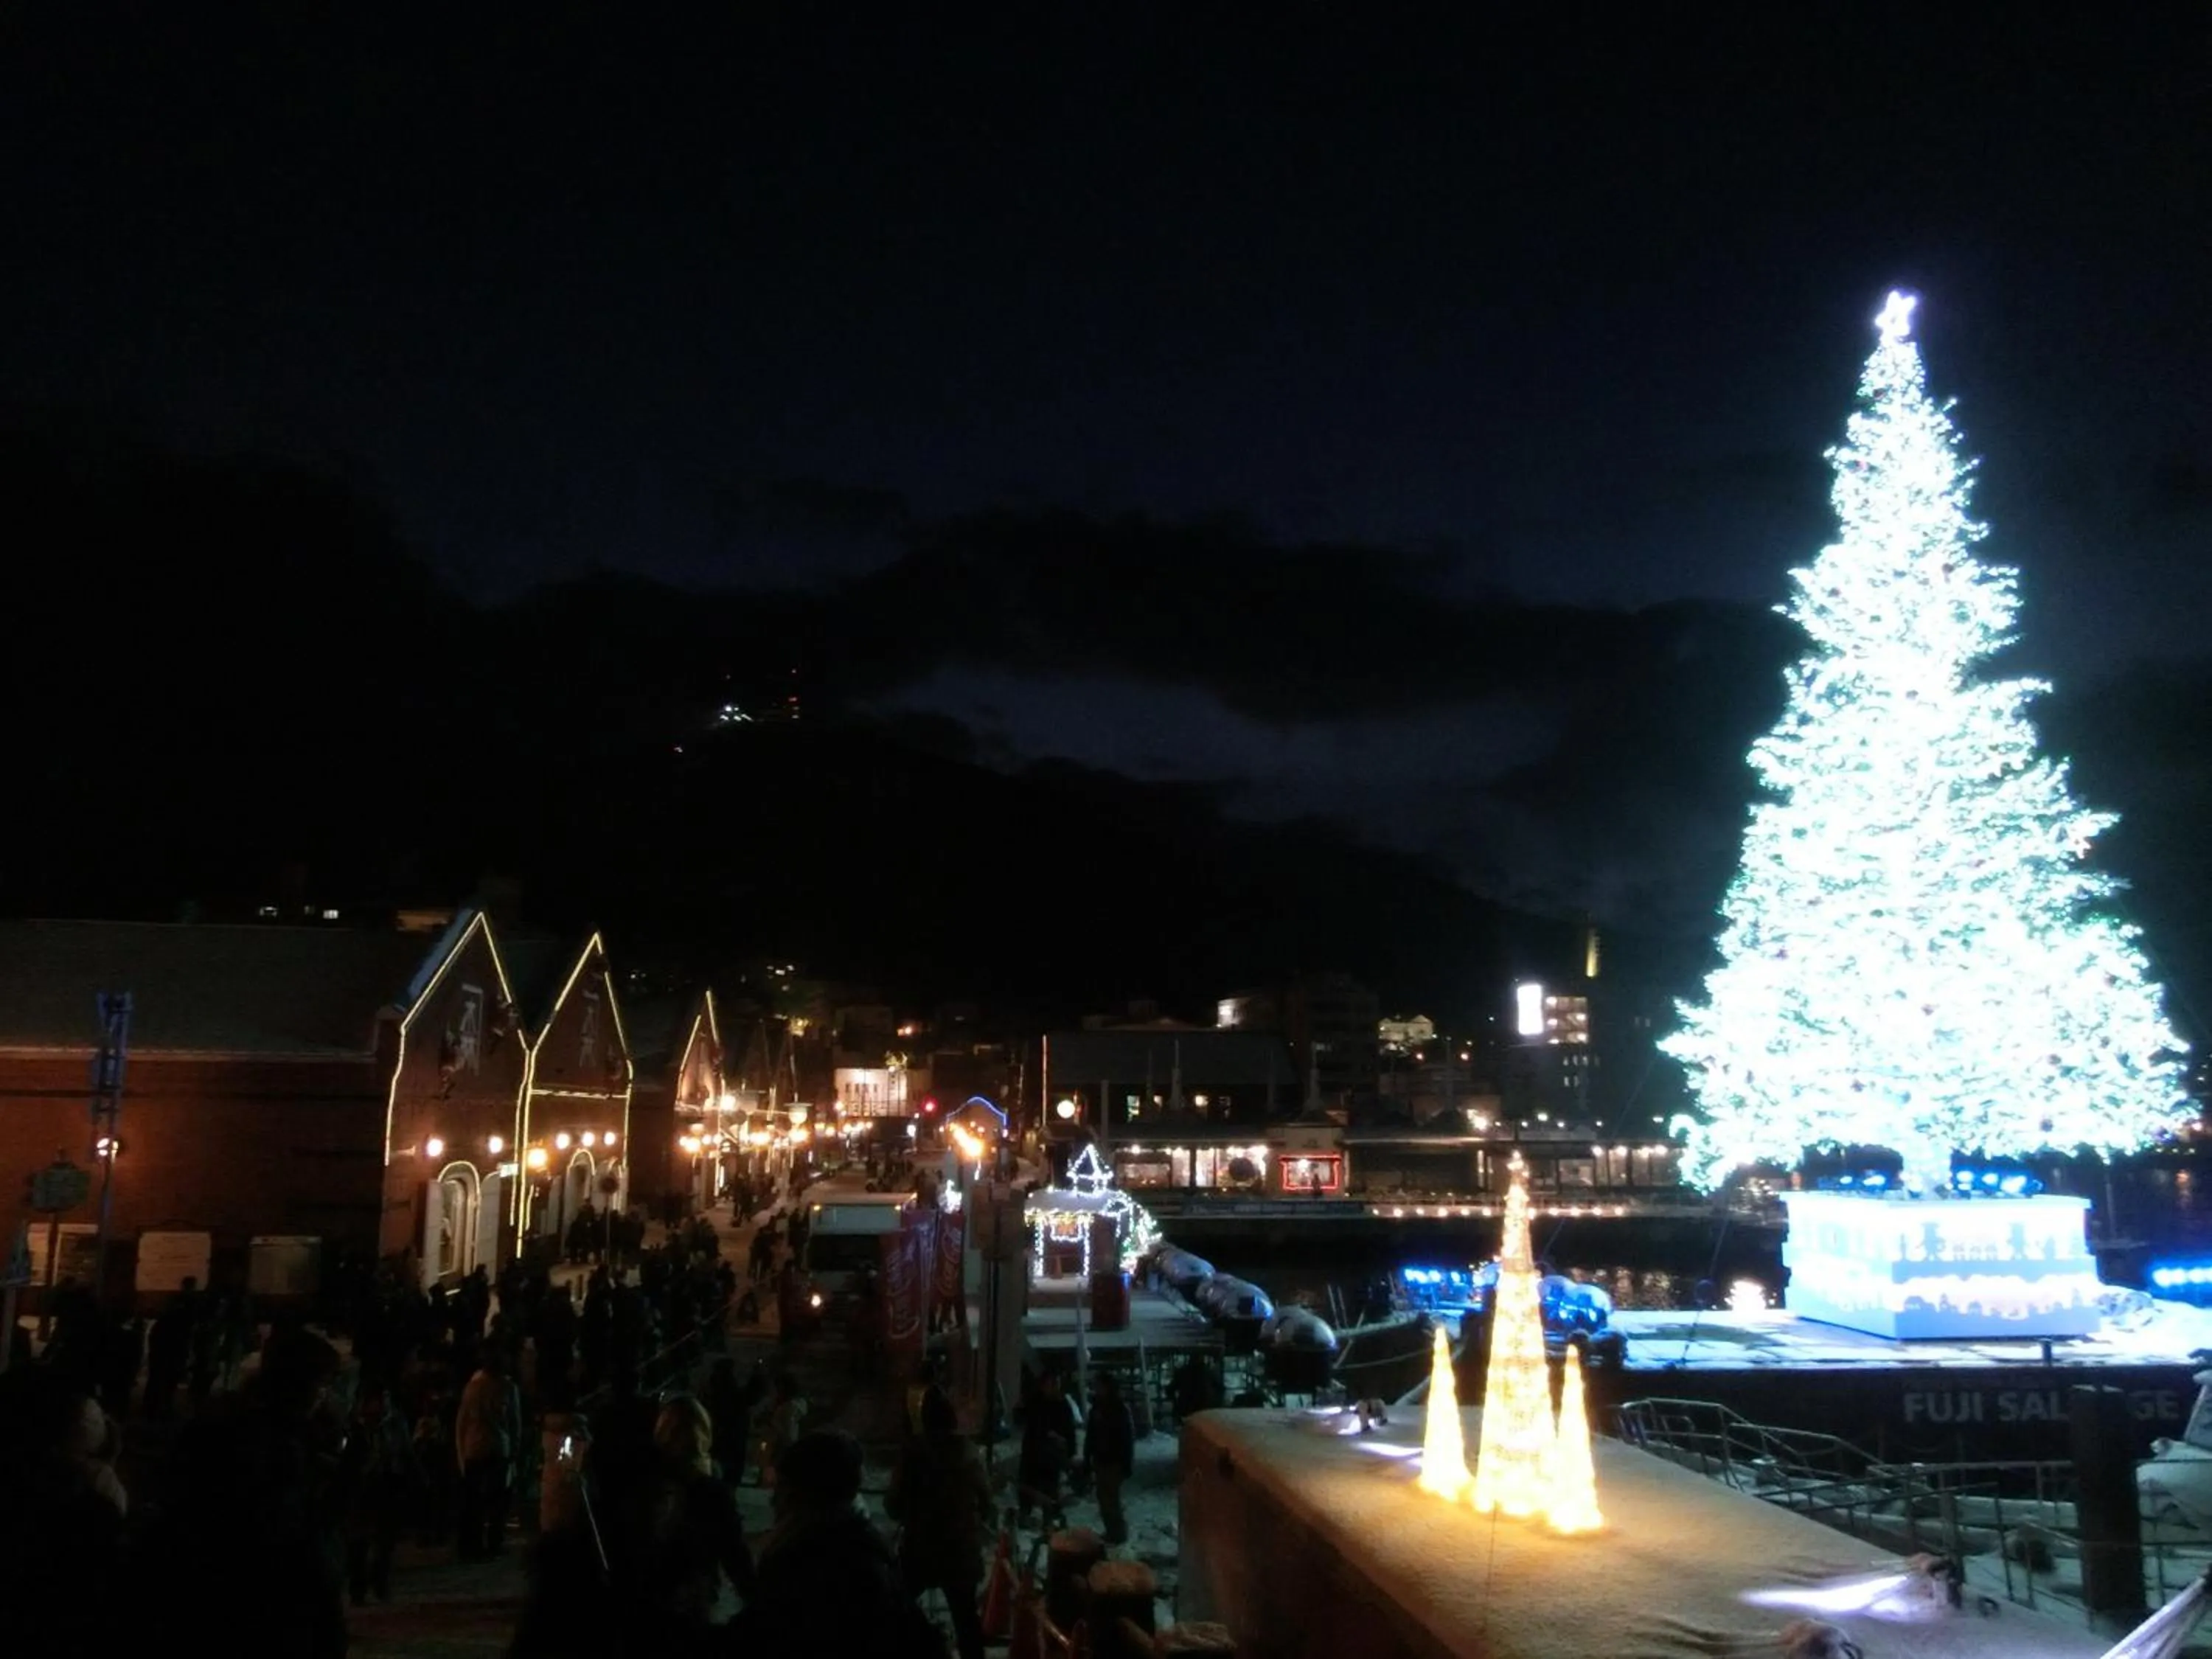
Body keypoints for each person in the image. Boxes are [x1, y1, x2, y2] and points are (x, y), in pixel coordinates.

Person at [732, 1430, 944, 1658]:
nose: (774, 1500)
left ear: (808, 1494)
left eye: (783, 1488)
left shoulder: (812, 1563)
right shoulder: (864, 1548)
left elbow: (765, 1630)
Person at [611, 1395, 755, 1657]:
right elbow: (735, 1555)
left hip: (666, 1604)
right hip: (673, 1603)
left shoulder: (647, 1485)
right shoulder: (651, 1486)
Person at [886, 1385, 993, 1659]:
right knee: (967, 1621)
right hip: (960, 1551)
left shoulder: (913, 1452)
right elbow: (987, 1502)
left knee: (896, 1608)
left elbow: (893, 1505)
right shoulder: (969, 1452)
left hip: (921, 1549)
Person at [339, 1379, 420, 1604]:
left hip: (388, 1484)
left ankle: (380, 1583)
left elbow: (406, 1451)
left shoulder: (395, 1422)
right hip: (362, 1488)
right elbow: (346, 1461)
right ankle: (358, 1588)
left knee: (385, 1541)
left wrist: (414, 1476)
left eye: (386, 1399)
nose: (383, 1405)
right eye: (378, 1400)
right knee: (359, 1542)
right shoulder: (354, 1426)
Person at [455, 1341, 521, 1560]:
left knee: (474, 1502)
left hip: (475, 1448)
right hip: (498, 1449)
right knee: (498, 1500)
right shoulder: (508, 1388)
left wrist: (462, 1453)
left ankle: (473, 1543)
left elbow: (462, 1423)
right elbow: (515, 1423)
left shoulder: (473, 1388)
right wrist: (515, 1450)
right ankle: (494, 1541)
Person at [1084, 1370, 1137, 1545]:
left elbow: (1127, 1438)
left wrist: (1126, 1463)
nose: (1096, 1389)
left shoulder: (1119, 1409)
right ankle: (1112, 1531)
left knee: (1111, 1498)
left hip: (1114, 1461)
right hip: (1101, 1459)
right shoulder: (1097, 1408)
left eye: (1099, 1385)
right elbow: (1091, 1435)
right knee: (1103, 1497)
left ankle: (1118, 1533)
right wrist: (1087, 1456)